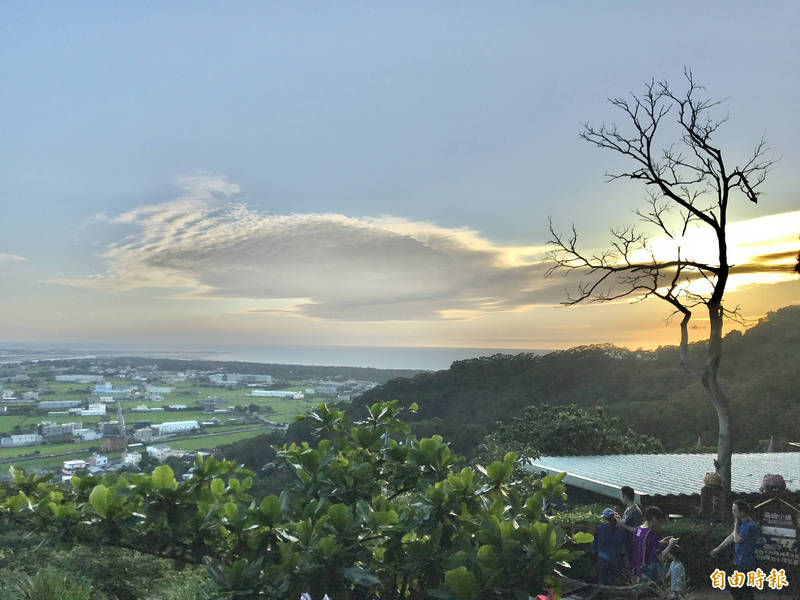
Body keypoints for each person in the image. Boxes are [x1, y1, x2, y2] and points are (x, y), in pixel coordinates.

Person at [710, 500, 759, 600]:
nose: (733, 512)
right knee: (739, 588)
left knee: (741, 589)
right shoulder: (742, 524)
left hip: (746, 562)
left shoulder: (749, 525)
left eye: (735, 510)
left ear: (742, 512)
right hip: (739, 561)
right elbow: (731, 537)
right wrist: (718, 549)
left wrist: (735, 525)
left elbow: (737, 539)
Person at [632, 506, 678, 584]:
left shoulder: (637, 530)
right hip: (648, 572)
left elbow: (646, 545)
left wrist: (661, 542)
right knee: (675, 565)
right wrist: (670, 545)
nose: (660, 525)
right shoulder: (652, 534)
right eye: (660, 521)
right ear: (654, 519)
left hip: (637, 571)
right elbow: (661, 558)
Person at [591, 507, 625, 594]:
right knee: (612, 581)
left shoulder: (600, 528)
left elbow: (594, 543)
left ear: (604, 518)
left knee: (602, 580)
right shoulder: (619, 530)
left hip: (602, 558)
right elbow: (621, 545)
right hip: (614, 559)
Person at [618, 486, 643, 570]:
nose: (620, 498)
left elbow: (637, 530)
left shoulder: (636, 512)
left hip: (630, 546)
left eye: (621, 496)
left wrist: (622, 524)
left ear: (625, 497)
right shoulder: (628, 509)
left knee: (630, 568)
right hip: (624, 544)